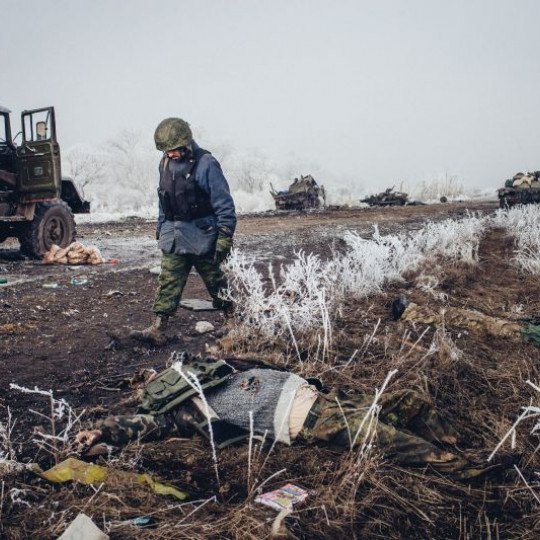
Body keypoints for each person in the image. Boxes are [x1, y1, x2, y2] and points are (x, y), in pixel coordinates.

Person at [76, 355, 500, 477]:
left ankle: (457, 443)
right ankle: (466, 469)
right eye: (153, 382)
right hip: (312, 423)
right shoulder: (187, 410)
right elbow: (146, 425)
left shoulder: (220, 370)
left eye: (162, 373)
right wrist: (102, 431)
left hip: (327, 398)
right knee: (385, 437)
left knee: (408, 400)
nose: (164, 378)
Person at [131, 118, 236, 345]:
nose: (170, 154)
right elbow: (164, 199)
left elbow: (224, 204)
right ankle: (159, 326)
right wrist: (161, 226)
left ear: (186, 143)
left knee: (215, 279)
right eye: (166, 150)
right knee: (168, 279)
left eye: (173, 149)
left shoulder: (206, 164)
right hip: (174, 235)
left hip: (202, 236)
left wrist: (224, 236)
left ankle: (231, 320)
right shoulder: (165, 163)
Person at [392, 296, 540, 346]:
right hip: (525, 329)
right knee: (470, 317)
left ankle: (409, 313)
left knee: (468, 320)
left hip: (523, 332)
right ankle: (413, 312)